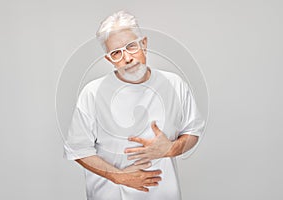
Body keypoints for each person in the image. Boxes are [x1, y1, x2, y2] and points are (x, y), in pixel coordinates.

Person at [63, 10, 205, 200]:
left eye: (131, 46)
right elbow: (79, 149)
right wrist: (120, 177)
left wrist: (171, 149)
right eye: (116, 53)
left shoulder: (174, 84)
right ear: (109, 59)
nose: (127, 58)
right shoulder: (93, 93)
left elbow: (192, 131)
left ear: (144, 44)